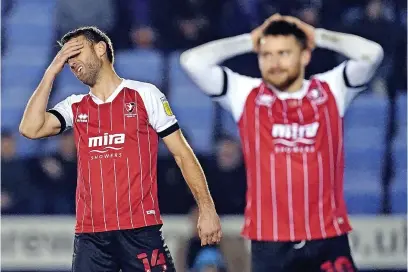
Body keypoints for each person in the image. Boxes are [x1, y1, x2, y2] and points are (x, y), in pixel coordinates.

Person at [180, 14, 383, 271]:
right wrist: (249, 40)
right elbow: (191, 61)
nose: (274, 62)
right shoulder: (246, 94)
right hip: (270, 243)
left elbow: (372, 54)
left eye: (284, 53)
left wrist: (317, 35)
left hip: (327, 237)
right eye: (267, 55)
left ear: (305, 55)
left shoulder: (331, 89)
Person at [19, 26, 222, 272]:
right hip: (91, 237)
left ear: (100, 48)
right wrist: (52, 70)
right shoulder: (74, 106)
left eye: (76, 52)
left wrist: (207, 208)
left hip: (140, 232)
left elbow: (182, 153)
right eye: (66, 57)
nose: (71, 62)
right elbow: (30, 129)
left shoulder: (145, 95)